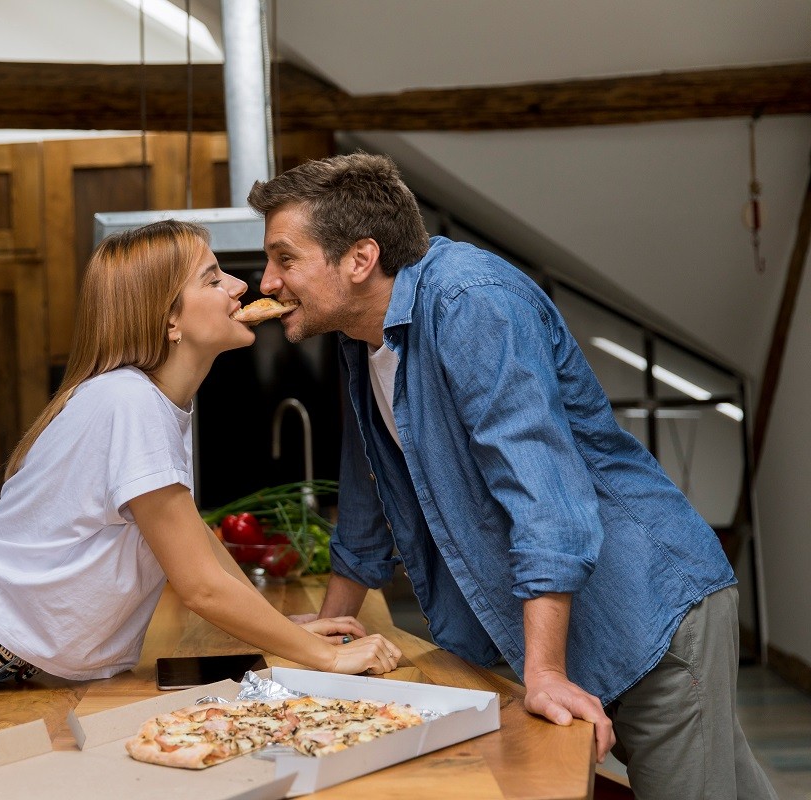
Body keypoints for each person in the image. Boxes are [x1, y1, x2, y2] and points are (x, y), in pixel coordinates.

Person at [246, 153, 776, 800]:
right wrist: (323, 651)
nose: (266, 281)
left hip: (648, 611)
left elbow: (543, 496)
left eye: (284, 258)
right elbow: (367, 500)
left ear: (359, 259)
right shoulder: (361, 338)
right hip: (590, 618)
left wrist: (543, 672)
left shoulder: (472, 303)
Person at [0, 220, 403, 770]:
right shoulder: (129, 403)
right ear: (169, 321)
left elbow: (193, 538)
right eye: (212, 277)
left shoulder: (159, 404)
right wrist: (325, 658)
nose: (239, 285)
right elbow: (199, 586)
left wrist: (284, 631)